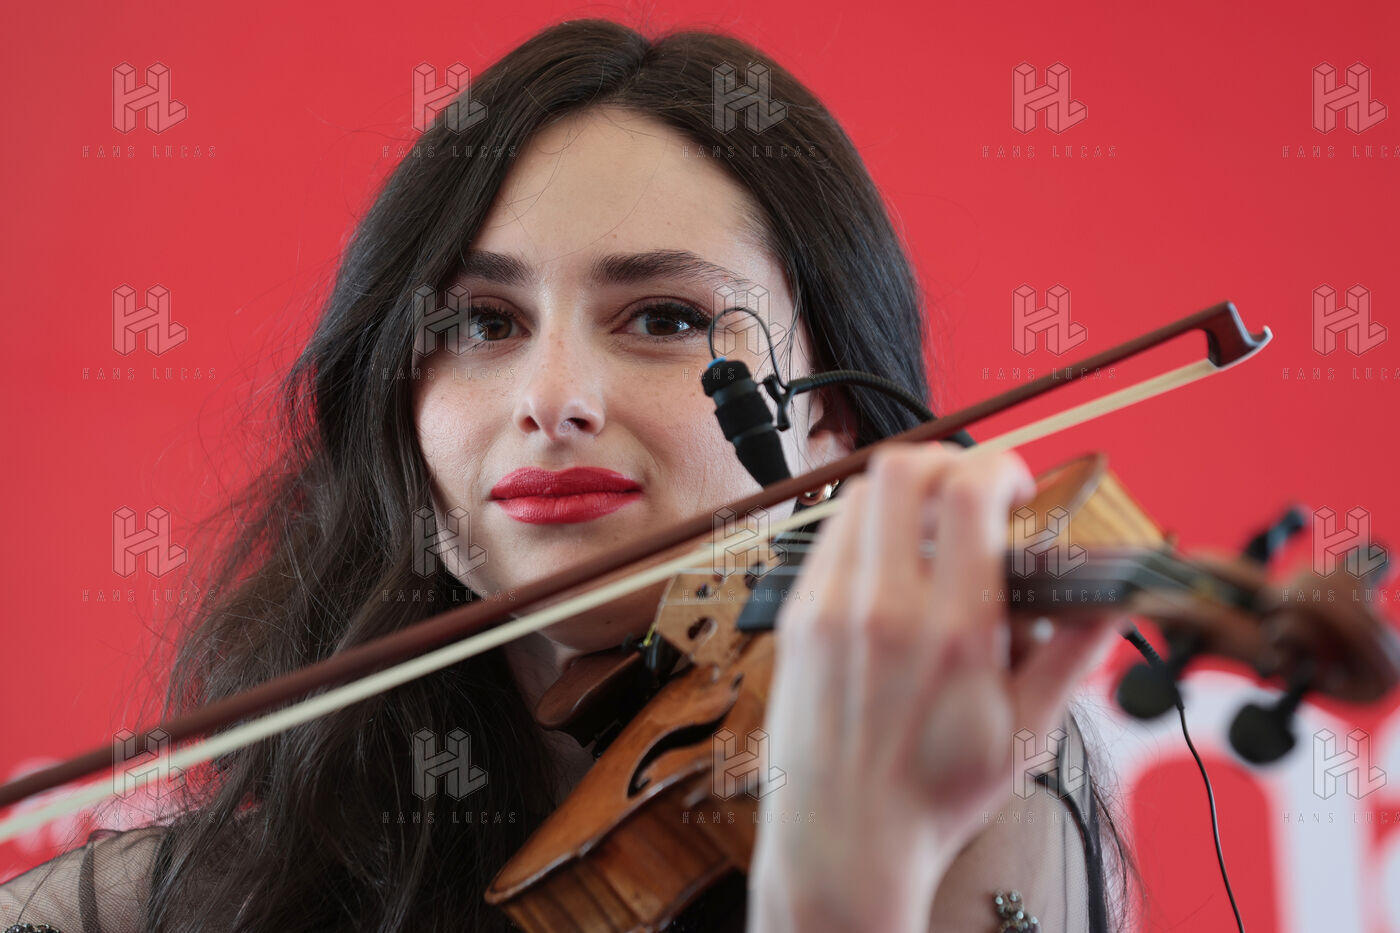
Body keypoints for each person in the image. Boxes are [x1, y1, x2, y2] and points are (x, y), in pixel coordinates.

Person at [0, 18, 1133, 932]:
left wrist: (843, 885)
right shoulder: (173, 899)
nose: (551, 395)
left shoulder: (962, 764)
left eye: (663, 317)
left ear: (830, 421)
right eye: (481, 323)